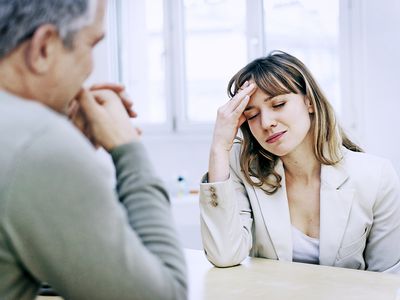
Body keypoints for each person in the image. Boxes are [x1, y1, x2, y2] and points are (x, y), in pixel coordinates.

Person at [0, 1, 187, 299]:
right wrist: (128, 148)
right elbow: (164, 294)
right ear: (44, 47)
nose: (90, 69)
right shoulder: (38, 145)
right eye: (92, 44)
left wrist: (69, 145)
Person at [199, 51, 400, 273]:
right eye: (253, 115)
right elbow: (224, 254)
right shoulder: (243, 168)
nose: (266, 123)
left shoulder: (376, 176)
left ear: (309, 102)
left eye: (278, 104)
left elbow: (387, 280)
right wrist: (219, 147)